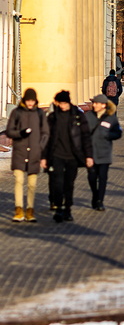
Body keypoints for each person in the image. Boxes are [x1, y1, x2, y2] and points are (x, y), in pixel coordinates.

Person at [44, 90, 94, 223]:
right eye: (60, 103)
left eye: (64, 103)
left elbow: (85, 137)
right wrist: (44, 157)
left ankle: (68, 209)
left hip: (73, 156)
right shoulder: (53, 117)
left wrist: (89, 156)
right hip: (56, 155)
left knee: (69, 184)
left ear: (68, 102)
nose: (62, 106)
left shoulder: (78, 116)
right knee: (58, 183)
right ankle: (59, 209)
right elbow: (47, 138)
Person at [6, 88, 49, 222]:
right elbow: (9, 131)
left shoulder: (40, 114)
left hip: (34, 154)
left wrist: (40, 148)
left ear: (35, 101)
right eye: (28, 100)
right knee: (18, 181)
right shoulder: (17, 112)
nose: (30, 103)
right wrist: (20, 133)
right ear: (25, 100)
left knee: (32, 184)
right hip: (20, 152)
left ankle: (30, 210)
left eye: (32, 101)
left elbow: (45, 133)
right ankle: (18, 210)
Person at [86, 94, 122, 211]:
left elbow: (118, 133)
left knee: (102, 178)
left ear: (103, 105)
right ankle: (95, 196)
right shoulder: (88, 116)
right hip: (90, 153)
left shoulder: (111, 117)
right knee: (92, 177)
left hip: (104, 153)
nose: (94, 105)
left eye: (96, 103)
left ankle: (100, 201)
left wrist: (108, 135)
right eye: (94, 103)